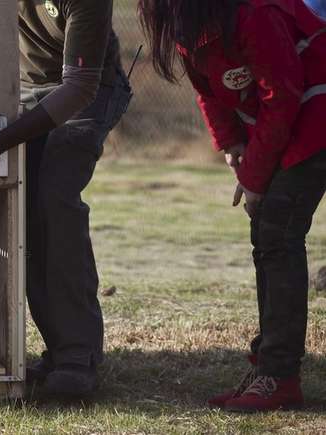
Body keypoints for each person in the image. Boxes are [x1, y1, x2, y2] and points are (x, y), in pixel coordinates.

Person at [139, 0, 326, 412]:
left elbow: (283, 97)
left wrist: (253, 178)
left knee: (277, 232)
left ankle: (280, 377)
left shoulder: (254, 12)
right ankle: (268, 369)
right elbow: (208, 89)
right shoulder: (191, 24)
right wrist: (229, 141)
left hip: (315, 117)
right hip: (289, 120)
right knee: (268, 236)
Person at [0, 0, 132, 396]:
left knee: (55, 198)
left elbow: (79, 88)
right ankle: (52, 349)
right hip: (22, 91)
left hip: (88, 91)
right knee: (22, 211)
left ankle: (77, 356)